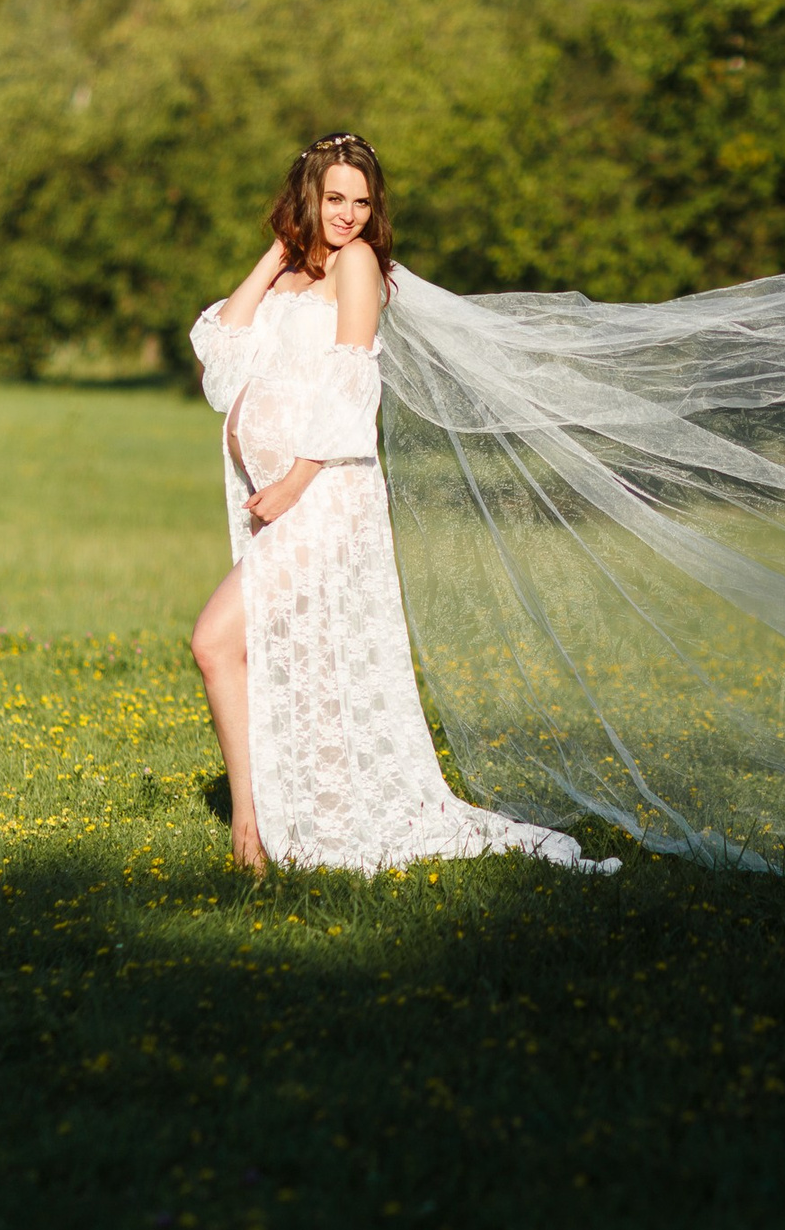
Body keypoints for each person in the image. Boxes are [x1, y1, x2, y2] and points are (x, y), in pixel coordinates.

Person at [185, 132, 618, 877]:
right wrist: (278, 250)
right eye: (333, 199)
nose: (349, 215)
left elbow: (353, 380)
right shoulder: (293, 272)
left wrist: (292, 483)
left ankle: (251, 832)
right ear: (306, 197)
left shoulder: (357, 266)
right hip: (284, 503)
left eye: (362, 201)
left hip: (324, 494)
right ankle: (280, 822)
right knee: (297, 662)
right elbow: (222, 357)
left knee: (216, 640)